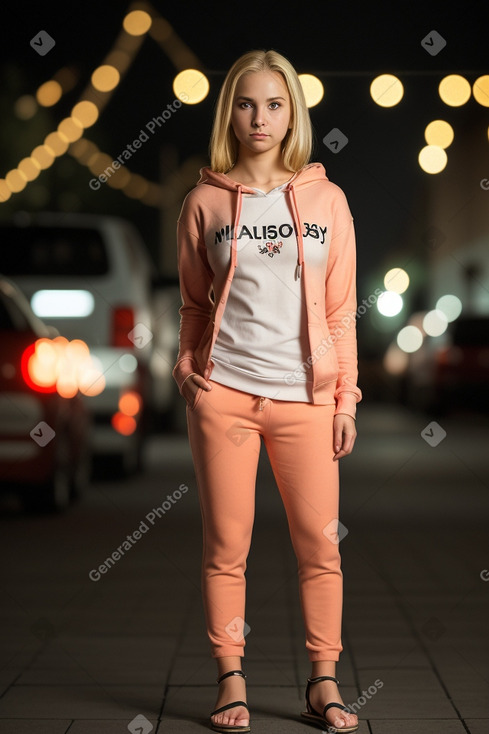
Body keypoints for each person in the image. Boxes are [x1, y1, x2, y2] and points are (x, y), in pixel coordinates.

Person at [173, 48, 361, 734]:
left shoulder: (327, 200)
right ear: (231, 111)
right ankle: (229, 679)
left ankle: (323, 684)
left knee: (319, 543)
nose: (261, 117)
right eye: (247, 103)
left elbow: (340, 313)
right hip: (223, 394)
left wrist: (344, 400)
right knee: (227, 543)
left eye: (274, 104)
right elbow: (194, 306)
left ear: (292, 114)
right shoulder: (202, 201)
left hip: (306, 399)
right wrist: (188, 373)